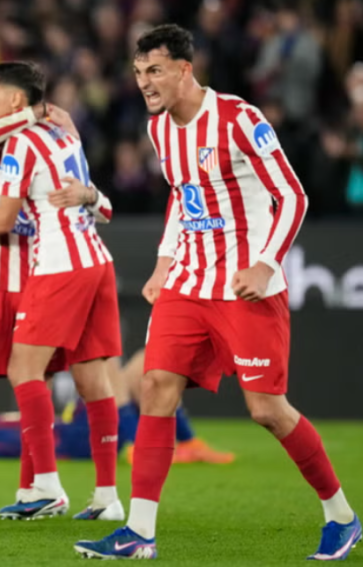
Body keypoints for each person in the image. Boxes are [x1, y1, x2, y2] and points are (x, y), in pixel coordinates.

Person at [76, 24, 359, 560]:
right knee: (156, 385)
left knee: (267, 410)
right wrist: (163, 265)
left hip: (245, 286)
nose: (144, 83)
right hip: (188, 280)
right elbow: (183, 200)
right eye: (138, 73)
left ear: (186, 69)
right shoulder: (159, 129)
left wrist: (264, 264)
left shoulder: (239, 119)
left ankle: (341, 516)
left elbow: (292, 197)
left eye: (154, 70)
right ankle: (139, 533)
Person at [0, 99, 114, 520]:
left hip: (38, 274)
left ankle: (35, 488)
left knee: (37, 380)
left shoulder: (45, 144)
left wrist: (52, 125)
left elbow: (99, 205)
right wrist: (39, 111)